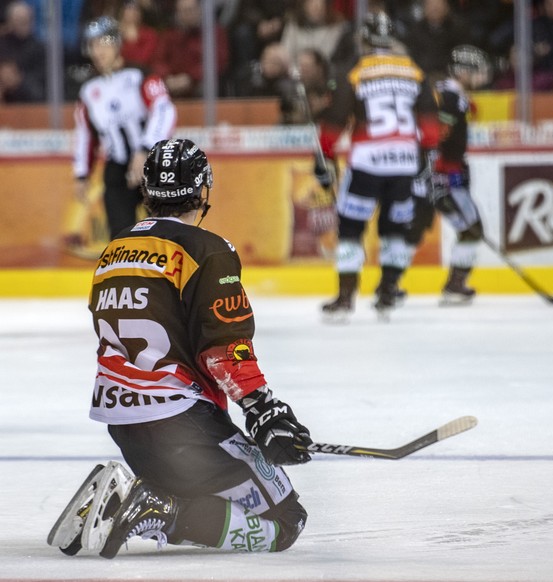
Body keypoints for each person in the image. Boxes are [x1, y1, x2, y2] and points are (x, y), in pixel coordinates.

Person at [47, 138, 312, 559]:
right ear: (203, 190)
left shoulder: (113, 250)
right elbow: (224, 348)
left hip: (125, 426)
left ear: (147, 190)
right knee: (285, 522)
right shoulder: (207, 250)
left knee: (215, 504)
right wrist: (264, 408)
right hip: (182, 423)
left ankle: (121, 499)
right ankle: (161, 511)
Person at [315, 11, 441, 322]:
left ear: (364, 39)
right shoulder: (413, 70)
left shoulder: (356, 70)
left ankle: (346, 297)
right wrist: (425, 157)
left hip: (368, 162)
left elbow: (336, 118)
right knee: (396, 230)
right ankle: (388, 292)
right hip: (404, 162)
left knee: (350, 229)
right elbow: (431, 125)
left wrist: (324, 157)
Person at [73, 16, 177, 240]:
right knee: (120, 239)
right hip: (117, 169)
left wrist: (145, 149)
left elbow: (164, 110)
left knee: (165, 234)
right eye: (93, 45)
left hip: (154, 165)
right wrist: (82, 174)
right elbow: (85, 134)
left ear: (117, 44)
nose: (98, 51)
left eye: (104, 43)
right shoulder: (89, 91)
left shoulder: (140, 75)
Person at [404, 44, 488, 305]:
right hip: (444, 177)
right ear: (463, 72)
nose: (483, 76)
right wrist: (435, 179)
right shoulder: (451, 98)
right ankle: (453, 286)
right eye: (477, 71)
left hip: (444, 176)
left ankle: (390, 285)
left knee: (416, 230)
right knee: (471, 230)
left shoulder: (447, 95)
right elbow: (436, 139)